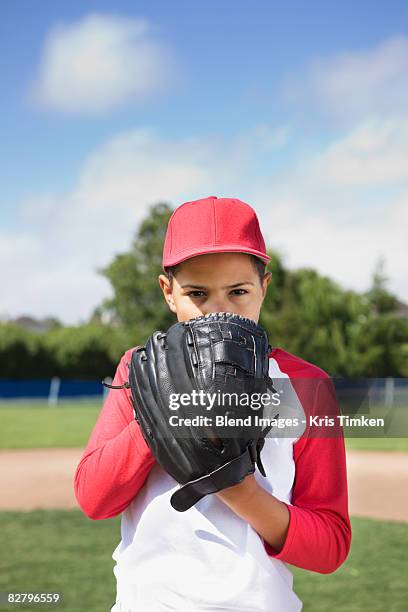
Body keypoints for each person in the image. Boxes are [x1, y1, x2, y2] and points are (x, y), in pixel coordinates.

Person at [74, 196, 351, 612]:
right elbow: (94, 500)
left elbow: (330, 547)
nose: (219, 309)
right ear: (169, 293)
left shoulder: (308, 385)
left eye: (238, 291)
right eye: (197, 293)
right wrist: (161, 413)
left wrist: (240, 492)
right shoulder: (140, 370)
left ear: (264, 287)